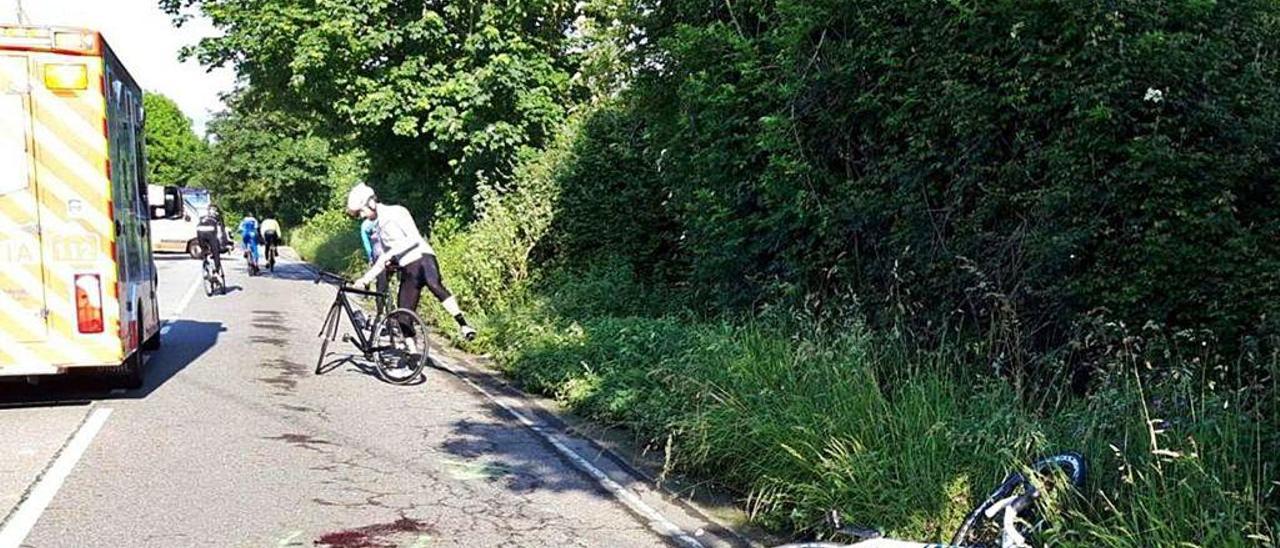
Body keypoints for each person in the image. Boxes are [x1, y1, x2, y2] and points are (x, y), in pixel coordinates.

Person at [346, 183, 476, 342]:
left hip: (423, 257)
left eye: (362, 211)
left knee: (434, 284)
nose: (362, 216)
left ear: (371, 203)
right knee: (403, 315)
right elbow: (384, 258)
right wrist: (365, 279)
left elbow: (413, 238)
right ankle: (412, 354)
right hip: (408, 268)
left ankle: (464, 325)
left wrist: (390, 255)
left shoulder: (397, 211)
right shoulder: (378, 226)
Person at [196, 205, 225, 275]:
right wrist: (222, 243)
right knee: (216, 251)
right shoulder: (217, 217)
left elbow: (197, 226)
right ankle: (217, 270)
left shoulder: (202, 217)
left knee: (204, 250)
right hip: (210, 233)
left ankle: (205, 261)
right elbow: (221, 230)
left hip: (200, 232)